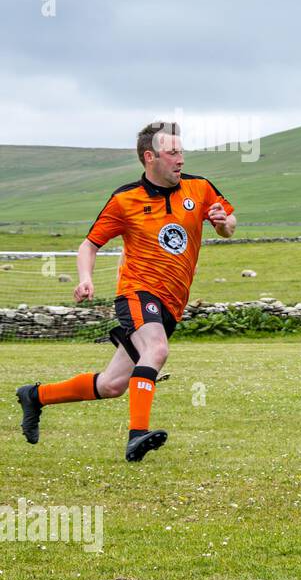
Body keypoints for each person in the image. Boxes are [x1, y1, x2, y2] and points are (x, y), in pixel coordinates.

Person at [15, 122, 236, 461]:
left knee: (112, 384)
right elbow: (89, 245)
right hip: (137, 292)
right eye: (173, 153)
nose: (181, 159)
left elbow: (229, 227)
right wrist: (85, 278)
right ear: (150, 157)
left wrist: (223, 223)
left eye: (182, 152)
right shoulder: (124, 200)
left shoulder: (200, 188)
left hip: (172, 302)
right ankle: (137, 435)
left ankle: (35, 396)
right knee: (157, 349)